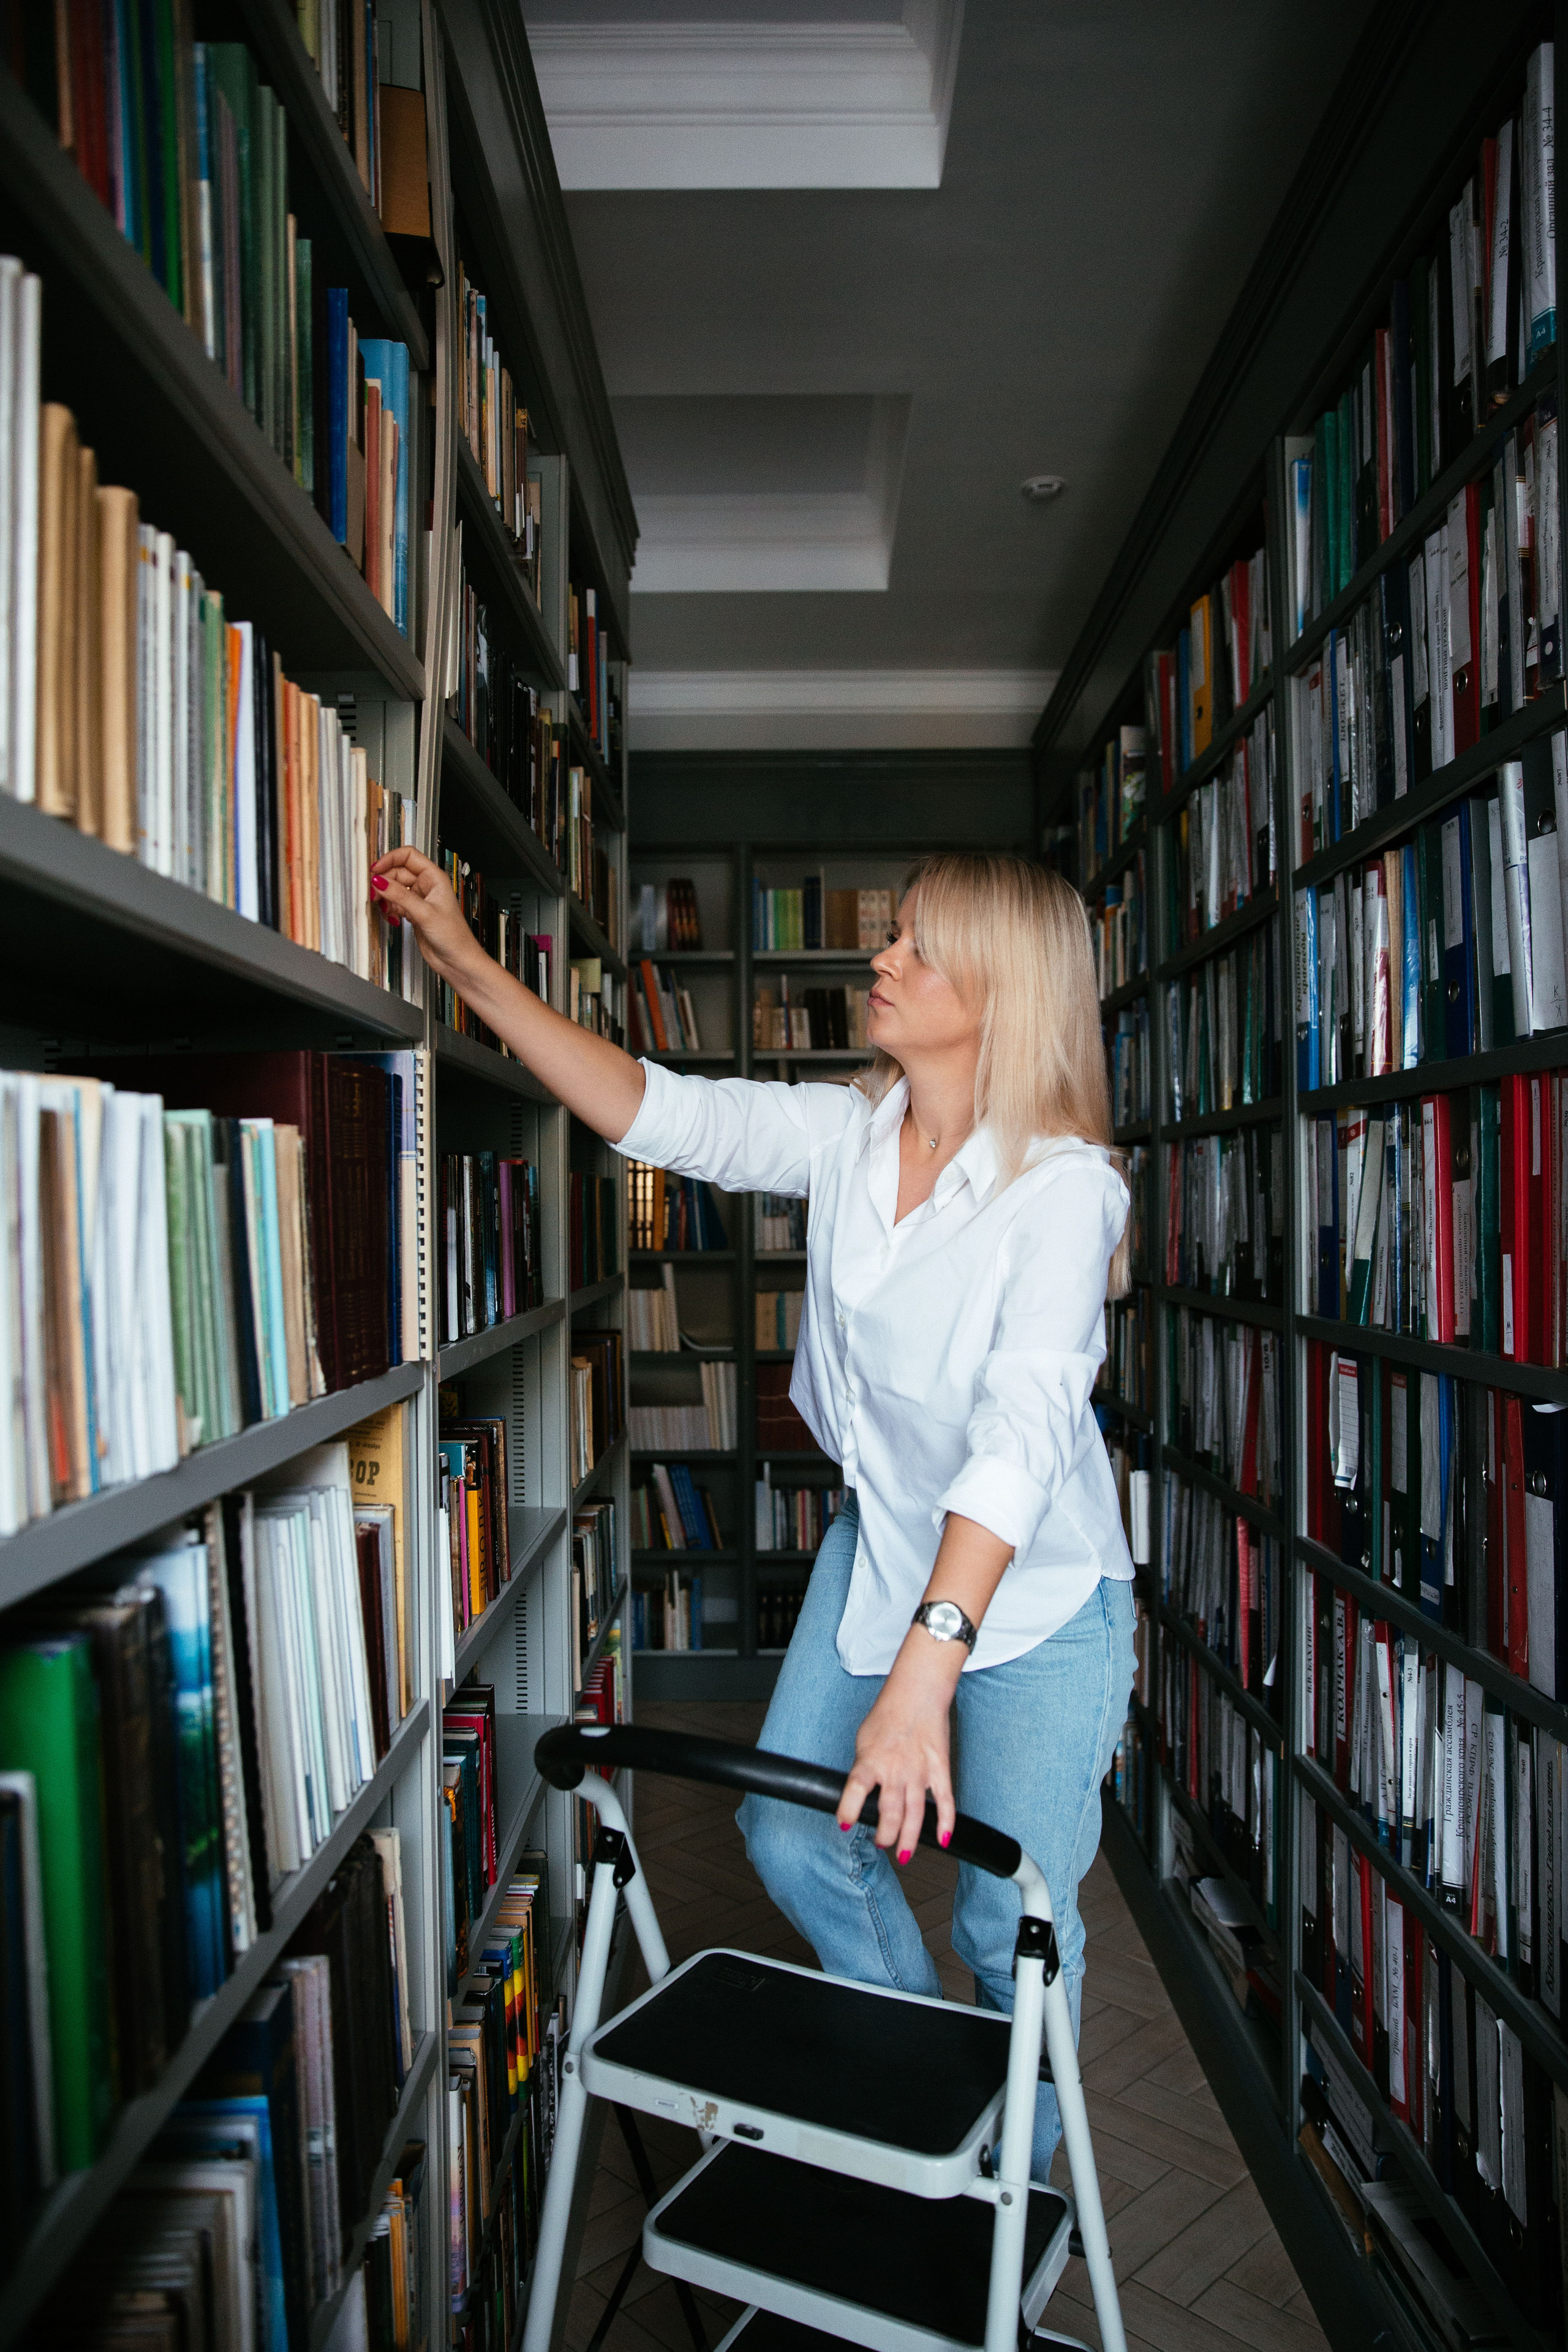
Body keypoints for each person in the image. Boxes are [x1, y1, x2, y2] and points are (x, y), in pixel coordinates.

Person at [370, 843, 1137, 2180]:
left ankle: (1000, 2187)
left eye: (914, 946)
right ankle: (925, 2105)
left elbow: (1020, 1437)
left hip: (1035, 1597)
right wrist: (469, 967)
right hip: (882, 1540)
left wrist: (921, 1673)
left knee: (1002, 1916)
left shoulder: (1064, 1190)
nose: (878, 961)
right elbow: (659, 1109)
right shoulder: (848, 1134)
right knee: (789, 1836)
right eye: (888, 935)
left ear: (1003, 989)